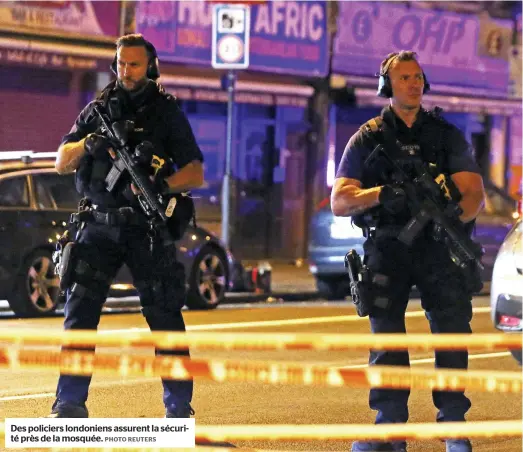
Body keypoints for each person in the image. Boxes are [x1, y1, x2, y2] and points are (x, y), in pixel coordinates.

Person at [331, 51, 485, 452]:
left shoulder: (445, 133)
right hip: (389, 246)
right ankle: (389, 429)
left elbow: (474, 193)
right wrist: (381, 194)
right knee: (386, 340)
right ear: (387, 85)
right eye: (404, 78)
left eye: (418, 77)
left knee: (451, 335)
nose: (413, 84)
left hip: (438, 249)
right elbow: (340, 200)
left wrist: (453, 221)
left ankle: (453, 425)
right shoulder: (368, 137)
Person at [49, 34, 204, 419]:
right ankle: (68, 405)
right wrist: (89, 145)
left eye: (133, 64)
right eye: (120, 63)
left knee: (165, 315)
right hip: (98, 225)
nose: (125, 71)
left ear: (149, 66)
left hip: (145, 228)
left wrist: (160, 186)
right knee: (79, 314)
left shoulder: (166, 112)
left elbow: (195, 172)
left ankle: (179, 410)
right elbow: (61, 161)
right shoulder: (97, 108)